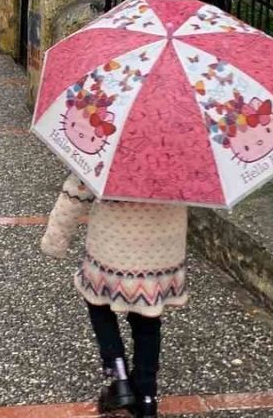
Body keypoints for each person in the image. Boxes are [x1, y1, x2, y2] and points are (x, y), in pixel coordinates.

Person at [40, 174, 189, 418]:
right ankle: (147, 396)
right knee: (148, 319)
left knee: (97, 301)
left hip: (113, 240)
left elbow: (77, 190)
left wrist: (55, 240)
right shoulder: (183, 148)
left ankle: (117, 373)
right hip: (162, 246)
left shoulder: (110, 144)